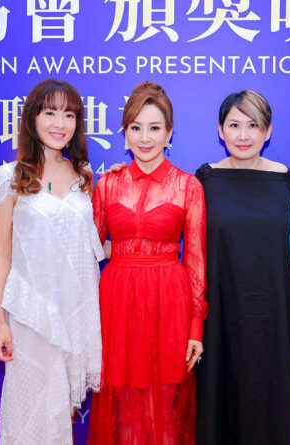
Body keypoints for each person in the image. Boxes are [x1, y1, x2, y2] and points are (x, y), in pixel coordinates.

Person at [0, 79, 103, 445]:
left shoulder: (85, 177)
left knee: (62, 412)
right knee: (30, 414)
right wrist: (1, 323)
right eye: (50, 113)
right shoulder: (7, 179)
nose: (60, 124)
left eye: (69, 115)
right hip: (31, 316)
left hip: (76, 313)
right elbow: (2, 252)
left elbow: (90, 246)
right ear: (32, 117)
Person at [87, 81, 207, 445]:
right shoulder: (107, 185)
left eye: (154, 128)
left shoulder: (188, 186)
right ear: (124, 133)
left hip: (169, 301)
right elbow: (88, 250)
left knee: (166, 402)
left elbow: (197, 261)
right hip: (117, 302)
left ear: (169, 133)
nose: (144, 138)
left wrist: (196, 328)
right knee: (120, 401)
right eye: (135, 127)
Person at [195, 90, 290, 445]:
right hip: (219, 317)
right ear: (220, 130)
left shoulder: (283, 180)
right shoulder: (206, 180)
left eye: (253, 126)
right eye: (234, 125)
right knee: (219, 401)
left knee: (268, 404)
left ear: (268, 131)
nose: (243, 135)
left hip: (273, 317)